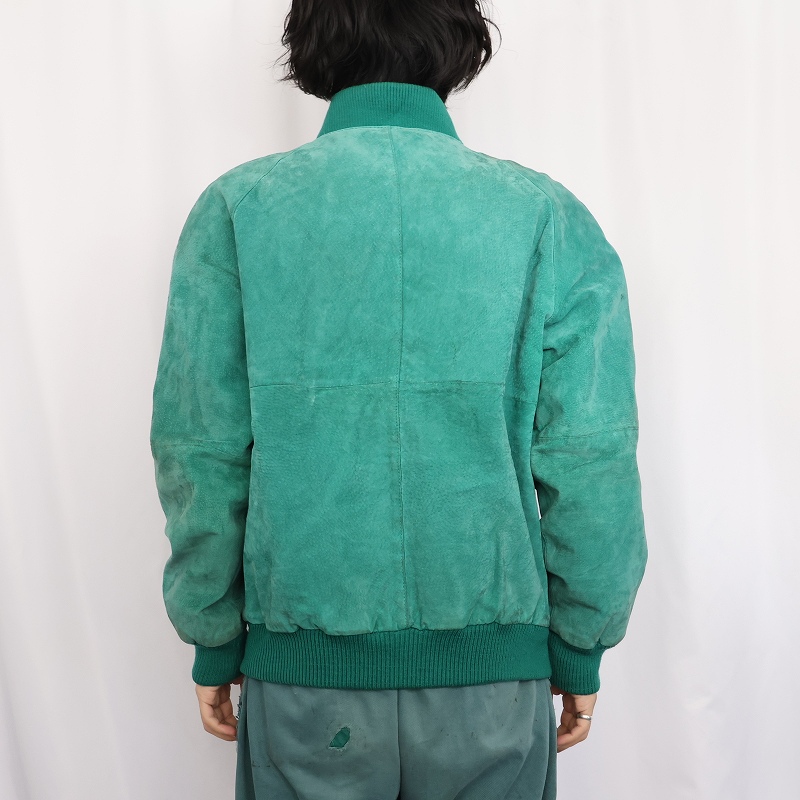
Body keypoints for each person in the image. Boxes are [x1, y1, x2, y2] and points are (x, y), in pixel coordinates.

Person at [149, 1, 648, 798]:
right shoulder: (545, 215)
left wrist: (213, 636)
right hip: (492, 686)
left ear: (313, 42)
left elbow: (199, 449)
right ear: (458, 43)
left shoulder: (239, 208)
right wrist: (580, 645)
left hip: (305, 684)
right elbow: (591, 456)